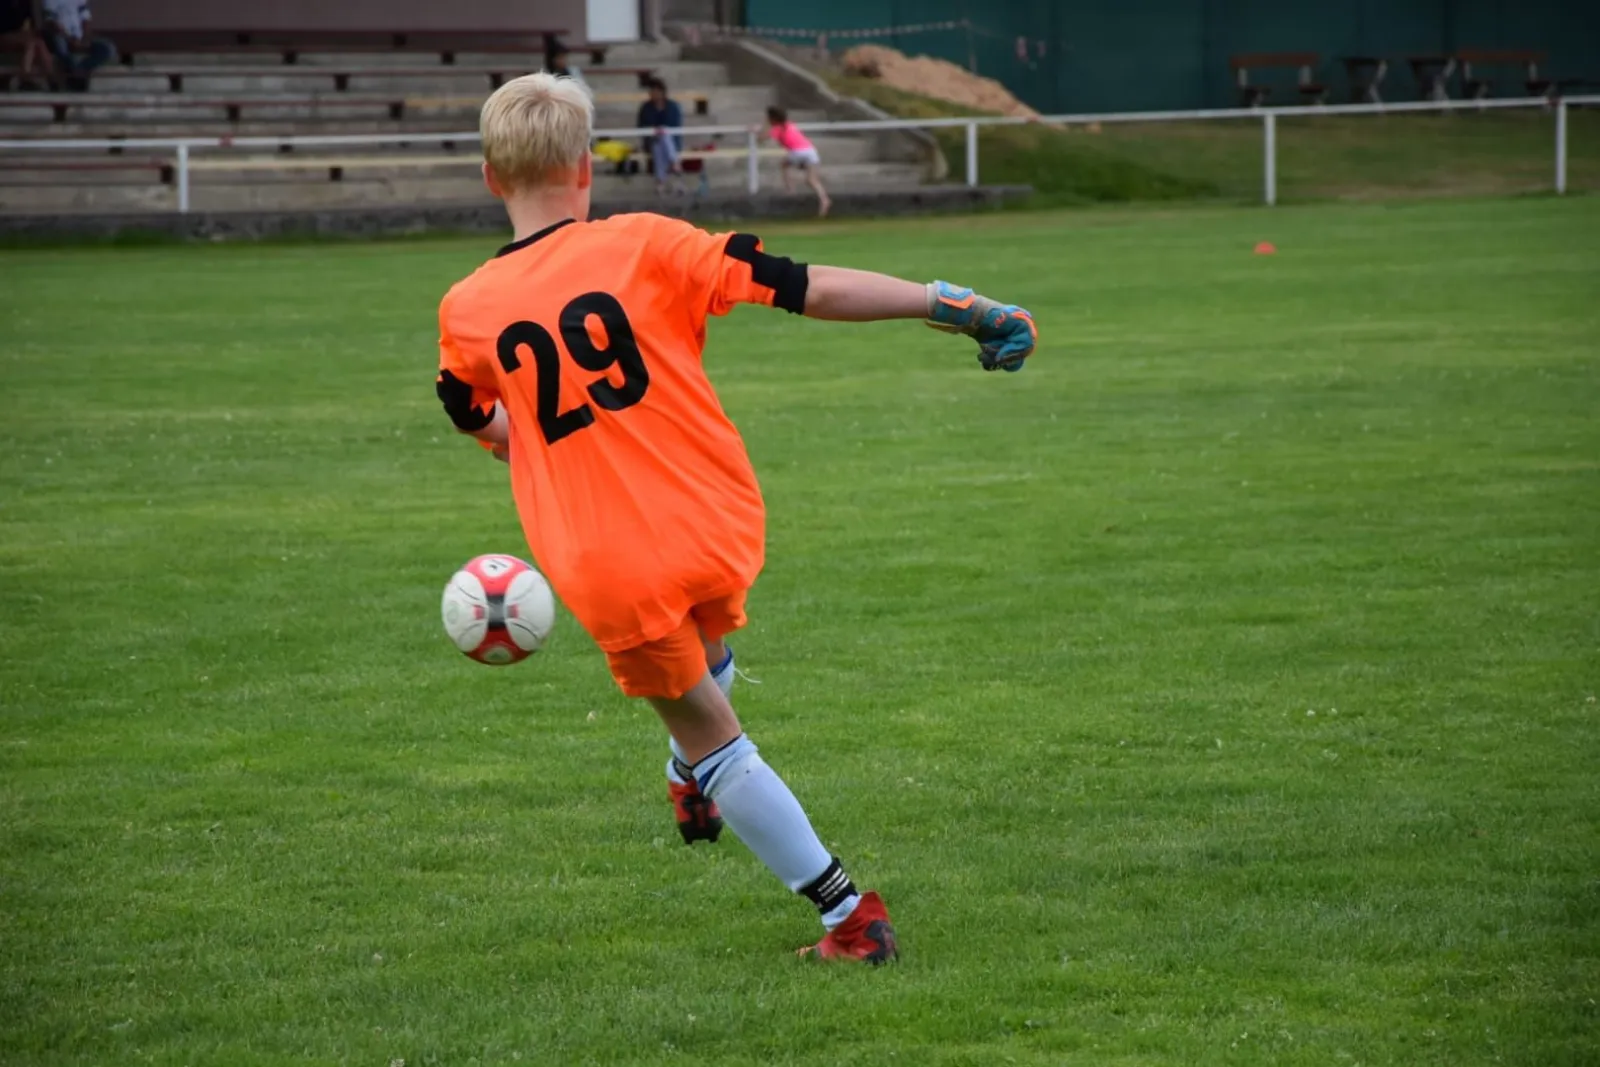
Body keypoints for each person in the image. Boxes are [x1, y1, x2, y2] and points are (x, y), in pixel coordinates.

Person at [433, 73, 1036, 963]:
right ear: (585, 168)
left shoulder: (468, 308)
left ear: (490, 178)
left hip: (611, 561)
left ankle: (848, 919)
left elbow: (465, 406)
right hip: (716, 519)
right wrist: (950, 303)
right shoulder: (650, 242)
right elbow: (806, 285)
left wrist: (514, 442)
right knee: (702, 661)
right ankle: (690, 777)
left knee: (713, 733)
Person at [763, 106, 831, 217]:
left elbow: (762, 138)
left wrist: (763, 126)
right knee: (811, 180)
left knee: (784, 165)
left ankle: (790, 189)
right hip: (811, 151)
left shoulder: (777, 128)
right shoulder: (790, 125)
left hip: (798, 152)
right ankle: (824, 199)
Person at [40, 0, 112, 90]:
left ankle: (80, 69)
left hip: (80, 37)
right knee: (61, 46)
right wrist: (69, 39)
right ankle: (73, 79)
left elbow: (86, 19)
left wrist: (84, 39)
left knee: (106, 48)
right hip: (62, 37)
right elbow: (49, 23)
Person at [635, 77, 683, 194]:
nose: (653, 94)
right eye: (651, 91)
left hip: (671, 142)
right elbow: (641, 126)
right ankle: (674, 163)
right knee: (659, 141)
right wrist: (655, 131)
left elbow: (675, 126)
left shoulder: (672, 106)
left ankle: (660, 181)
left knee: (662, 140)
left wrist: (661, 131)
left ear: (662, 92)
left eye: (656, 91)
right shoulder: (646, 108)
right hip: (652, 140)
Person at [0, 0, 55, 90]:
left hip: (19, 36)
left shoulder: (25, 3)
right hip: (3, 36)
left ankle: (50, 78)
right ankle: (25, 77)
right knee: (30, 42)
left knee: (39, 43)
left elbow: (30, 24)